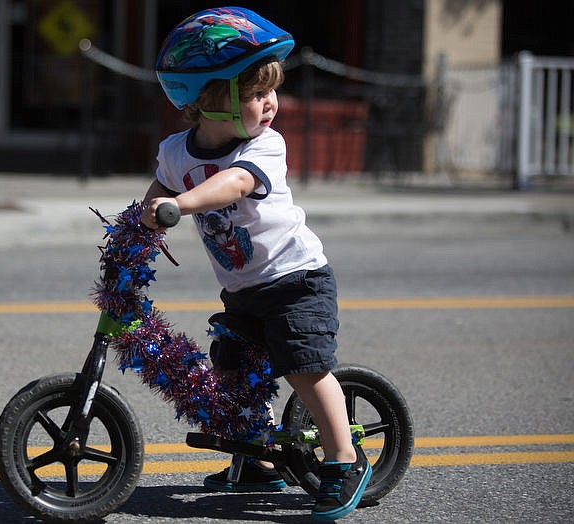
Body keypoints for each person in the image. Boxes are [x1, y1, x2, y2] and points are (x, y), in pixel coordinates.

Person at [141, 7, 371, 521]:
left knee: (303, 367)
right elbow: (160, 188)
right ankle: (261, 462)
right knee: (233, 369)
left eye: (272, 91)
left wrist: (181, 204)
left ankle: (344, 458)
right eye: (255, 93)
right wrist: (145, 216)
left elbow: (235, 183)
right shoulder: (176, 152)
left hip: (296, 280)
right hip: (243, 290)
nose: (271, 103)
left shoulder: (265, 146)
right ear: (208, 98)